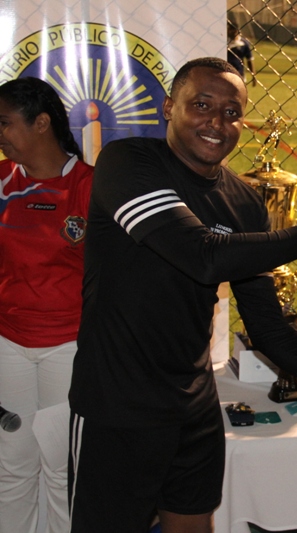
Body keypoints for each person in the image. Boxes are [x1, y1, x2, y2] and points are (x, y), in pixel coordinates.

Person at [67, 57, 297, 533]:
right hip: (118, 404)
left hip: (194, 406)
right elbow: (201, 255)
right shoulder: (130, 163)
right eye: (201, 105)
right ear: (169, 107)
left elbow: (267, 329)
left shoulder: (243, 202)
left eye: (231, 112)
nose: (217, 122)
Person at [0, 77, 93, 533]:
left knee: (62, 469)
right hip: (8, 345)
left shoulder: (89, 186)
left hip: (68, 348)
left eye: (5, 123)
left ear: (41, 123)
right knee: (11, 465)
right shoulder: (2, 180)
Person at [227, 20, 256, 87]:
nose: (228, 31)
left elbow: (249, 60)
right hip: (226, 72)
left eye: (230, 29)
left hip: (239, 73)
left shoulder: (244, 43)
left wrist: (253, 75)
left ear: (236, 30)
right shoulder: (224, 42)